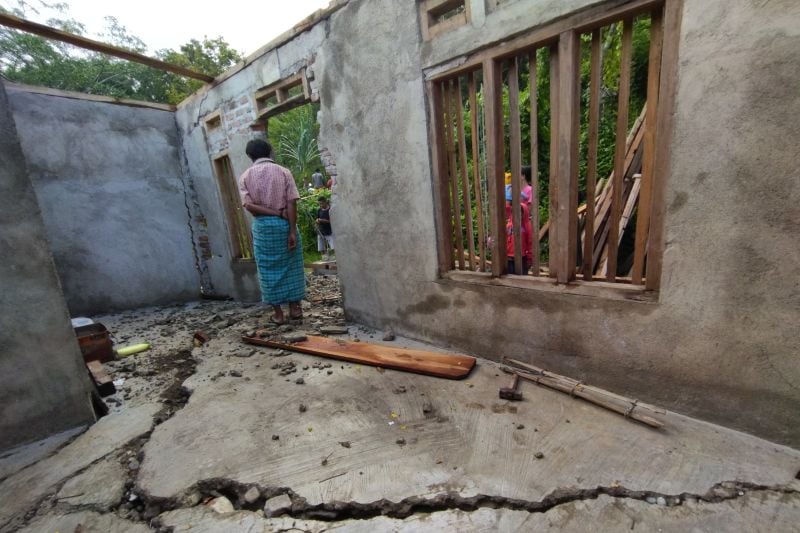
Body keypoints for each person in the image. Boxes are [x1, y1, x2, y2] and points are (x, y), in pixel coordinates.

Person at [238, 139, 305, 325]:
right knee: (292, 266)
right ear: (270, 151)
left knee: (267, 269)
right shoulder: (284, 172)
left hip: (263, 229)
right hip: (285, 224)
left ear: (250, 156)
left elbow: (249, 206)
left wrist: (272, 213)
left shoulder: (245, 177)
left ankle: (278, 314)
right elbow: (292, 202)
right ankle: (295, 309)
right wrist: (291, 230)